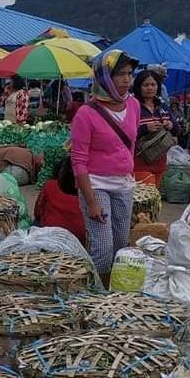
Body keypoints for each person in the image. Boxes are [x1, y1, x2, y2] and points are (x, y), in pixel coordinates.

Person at [70, 50, 141, 286]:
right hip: (97, 185)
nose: (126, 79)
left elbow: (131, 143)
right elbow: (78, 160)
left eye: (129, 74)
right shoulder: (86, 114)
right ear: (105, 77)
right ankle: (95, 296)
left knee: (121, 245)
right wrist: (90, 201)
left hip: (123, 184)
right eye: (120, 74)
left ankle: (114, 294)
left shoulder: (133, 105)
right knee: (102, 249)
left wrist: (129, 172)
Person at [132, 70, 180, 187]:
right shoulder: (132, 106)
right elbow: (125, 133)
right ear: (139, 87)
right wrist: (145, 128)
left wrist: (170, 125)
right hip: (139, 163)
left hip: (160, 162)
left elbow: (177, 130)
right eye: (146, 85)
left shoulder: (162, 106)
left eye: (153, 85)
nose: (150, 88)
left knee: (154, 199)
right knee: (146, 200)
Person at [34, 158, 86, 245]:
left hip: (51, 234)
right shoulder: (92, 190)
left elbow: (37, 211)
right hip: (81, 237)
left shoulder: (49, 185)